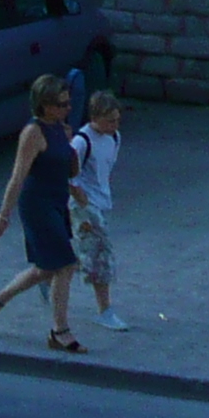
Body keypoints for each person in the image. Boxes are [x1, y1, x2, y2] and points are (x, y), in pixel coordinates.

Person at [0, 73, 86, 353]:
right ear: (45, 105)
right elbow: (18, 176)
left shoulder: (62, 128)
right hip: (37, 205)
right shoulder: (33, 133)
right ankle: (60, 331)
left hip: (57, 202)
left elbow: (69, 169)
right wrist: (3, 215)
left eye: (68, 104)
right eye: (61, 104)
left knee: (45, 268)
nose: (67, 109)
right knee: (66, 265)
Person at [71, 91, 129, 331]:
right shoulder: (81, 142)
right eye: (109, 120)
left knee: (86, 253)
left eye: (116, 120)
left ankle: (49, 274)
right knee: (101, 256)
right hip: (85, 207)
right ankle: (105, 310)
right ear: (95, 118)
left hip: (99, 203)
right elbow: (69, 176)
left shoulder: (114, 138)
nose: (115, 125)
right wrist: (83, 203)